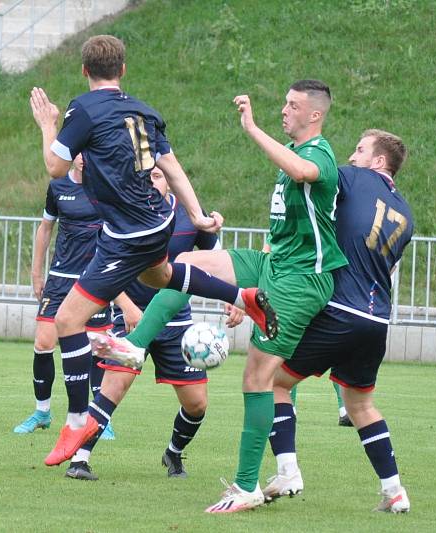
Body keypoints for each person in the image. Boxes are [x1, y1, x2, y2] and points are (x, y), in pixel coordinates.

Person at [94, 79, 348, 513]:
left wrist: (252, 129)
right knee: (193, 265)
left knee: (258, 379)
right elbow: (286, 228)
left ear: (315, 115)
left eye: (292, 105)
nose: (284, 110)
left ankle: (247, 486)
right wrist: (240, 290)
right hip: (275, 266)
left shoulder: (317, 154)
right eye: (284, 103)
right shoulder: (296, 155)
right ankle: (135, 349)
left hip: (303, 281)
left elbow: (304, 174)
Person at [29, 34, 278, 469]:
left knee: (68, 321)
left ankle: (75, 422)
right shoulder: (146, 111)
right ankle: (243, 297)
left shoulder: (82, 110)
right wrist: (197, 216)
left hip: (125, 234)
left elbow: (56, 167)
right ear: (123, 70)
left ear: (84, 71)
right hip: (157, 222)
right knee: (160, 276)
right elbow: (172, 167)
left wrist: (48, 123)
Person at [263, 130, 414, 513]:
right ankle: (394, 491)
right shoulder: (406, 213)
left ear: (379, 162)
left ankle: (287, 471)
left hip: (340, 309)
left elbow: (309, 173)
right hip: (377, 319)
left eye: (360, 149)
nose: (351, 154)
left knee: (271, 381)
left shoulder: (353, 177)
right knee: (361, 405)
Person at [64, 167, 243, 481]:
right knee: (114, 387)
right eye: (146, 176)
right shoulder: (124, 213)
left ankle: (173, 453)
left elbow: (218, 261)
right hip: (133, 317)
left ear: (171, 181)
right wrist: (127, 306)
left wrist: (232, 298)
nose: (151, 180)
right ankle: (79, 459)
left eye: (159, 175)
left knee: (197, 404)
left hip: (177, 322)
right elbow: (102, 268)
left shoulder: (192, 216)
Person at [13, 152, 115, 441]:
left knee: (97, 347)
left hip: (94, 281)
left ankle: (98, 418)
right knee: (43, 343)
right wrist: (36, 273)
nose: (84, 158)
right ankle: (42, 412)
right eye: (79, 153)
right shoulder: (58, 186)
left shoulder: (107, 188)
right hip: (59, 280)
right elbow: (45, 228)